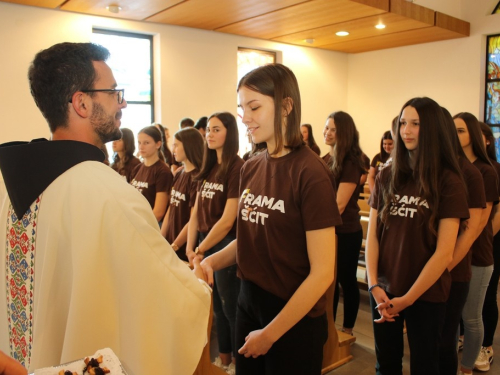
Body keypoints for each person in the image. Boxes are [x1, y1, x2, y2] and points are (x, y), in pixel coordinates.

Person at [0, 42, 211, 375]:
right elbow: (171, 300)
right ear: (82, 103)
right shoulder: (109, 194)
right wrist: (198, 286)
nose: (122, 102)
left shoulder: (9, 186)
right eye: (113, 92)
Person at [201, 64, 341, 375]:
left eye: (254, 107)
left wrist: (271, 334)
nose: (245, 117)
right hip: (249, 301)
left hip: (293, 316)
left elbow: (322, 274)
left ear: (286, 106)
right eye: (241, 108)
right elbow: (250, 239)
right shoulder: (251, 165)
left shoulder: (310, 172)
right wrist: (212, 261)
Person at [366, 97, 469, 375]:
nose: (406, 131)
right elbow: (373, 236)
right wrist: (374, 284)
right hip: (386, 291)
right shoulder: (388, 174)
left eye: (415, 124)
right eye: (402, 123)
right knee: (385, 365)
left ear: (432, 129)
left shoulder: (448, 180)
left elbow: (444, 252)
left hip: (426, 293)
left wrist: (409, 298)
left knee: (425, 366)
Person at [186, 112, 244, 374]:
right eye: (208, 129)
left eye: (216, 129)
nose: (209, 134)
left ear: (229, 133)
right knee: (216, 309)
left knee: (229, 307)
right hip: (204, 243)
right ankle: (224, 358)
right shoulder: (207, 166)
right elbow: (196, 212)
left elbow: (227, 220)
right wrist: (192, 247)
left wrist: (201, 249)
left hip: (225, 245)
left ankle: (239, 364)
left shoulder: (237, 166)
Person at [438, 107, 485, 375]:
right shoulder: (440, 168)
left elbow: (472, 229)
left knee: (446, 338)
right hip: (433, 267)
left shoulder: (473, 174)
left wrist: (443, 265)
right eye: (451, 130)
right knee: (435, 337)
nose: (453, 136)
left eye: (460, 130)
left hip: (454, 269)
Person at [454, 112, 498, 375]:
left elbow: (480, 223)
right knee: (452, 317)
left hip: (476, 253)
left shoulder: (486, 171)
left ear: (473, 135)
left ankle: (467, 368)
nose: (455, 135)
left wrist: (457, 249)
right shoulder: (452, 166)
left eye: (460, 131)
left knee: (471, 317)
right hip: (451, 249)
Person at [323, 111, 366, 335]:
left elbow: (339, 205)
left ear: (344, 133)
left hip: (346, 231)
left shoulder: (351, 161)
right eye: (326, 127)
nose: (327, 133)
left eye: (333, 129)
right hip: (328, 231)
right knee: (328, 280)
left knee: (345, 280)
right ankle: (329, 328)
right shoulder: (326, 159)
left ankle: (347, 329)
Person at [475, 121, 500, 371]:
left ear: (488, 141)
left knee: (487, 294)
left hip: (490, 240)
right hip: (467, 239)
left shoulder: (495, 169)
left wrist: (483, 237)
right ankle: (466, 338)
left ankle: (486, 346)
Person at [161, 127, 204, 262]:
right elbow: (170, 208)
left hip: (184, 247)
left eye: (176, 145)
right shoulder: (179, 173)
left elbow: (193, 219)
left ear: (188, 146)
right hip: (171, 242)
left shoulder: (197, 177)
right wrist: (161, 238)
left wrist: (175, 245)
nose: (173, 150)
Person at [131, 125, 173, 223]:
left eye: (146, 143)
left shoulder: (163, 172)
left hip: (151, 225)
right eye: (139, 142)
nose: (141, 147)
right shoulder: (137, 168)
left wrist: (140, 226)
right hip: (136, 220)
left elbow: (158, 212)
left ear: (158, 144)